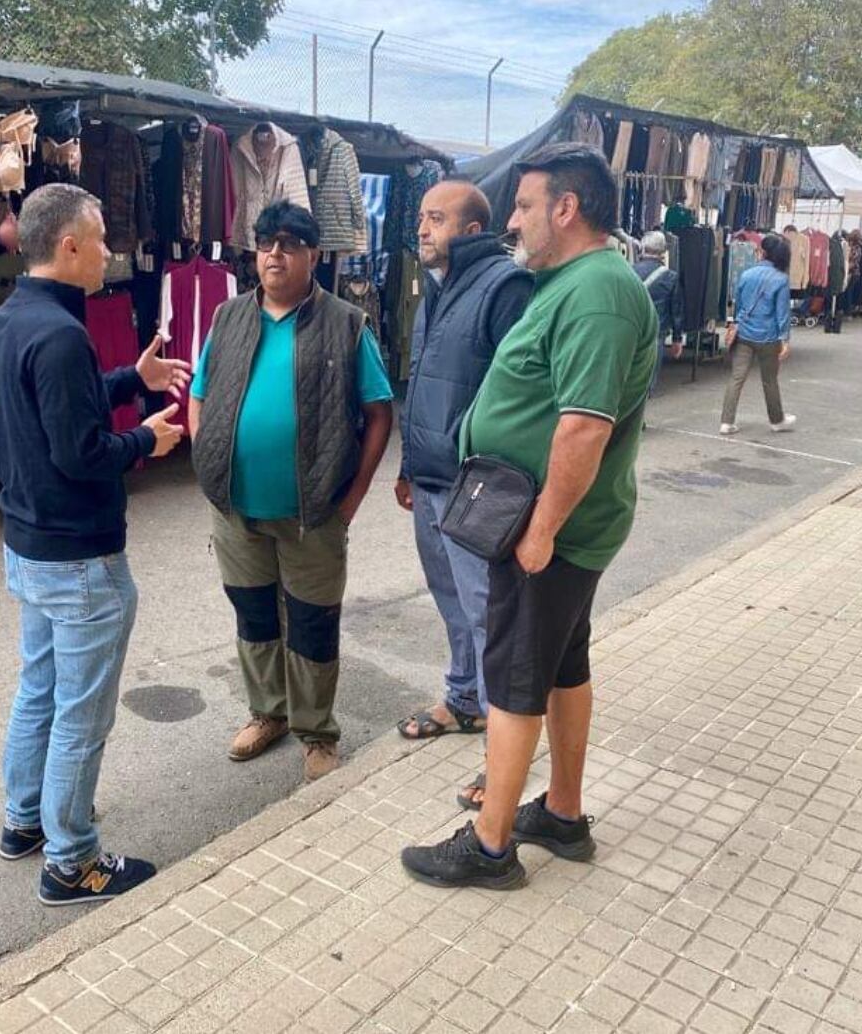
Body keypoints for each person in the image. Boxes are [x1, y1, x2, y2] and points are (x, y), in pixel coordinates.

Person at [400, 144, 657, 889]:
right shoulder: (570, 281)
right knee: (563, 667)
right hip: (546, 520)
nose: (511, 222)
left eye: (523, 206)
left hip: (545, 527)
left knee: (514, 677)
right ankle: (563, 814)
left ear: (566, 208)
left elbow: (584, 426)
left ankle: (489, 847)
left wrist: (541, 530)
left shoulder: (597, 292)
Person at [0, 183, 188, 906]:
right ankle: (71, 860)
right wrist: (147, 439)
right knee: (81, 713)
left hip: (29, 546)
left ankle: (24, 821)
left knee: (39, 688)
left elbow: (55, 407)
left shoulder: (9, 320)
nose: (109, 253)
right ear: (68, 245)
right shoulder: (62, 333)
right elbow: (80, 451)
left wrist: (131, 379)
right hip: (78, 558)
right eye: (101, 240)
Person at [189, 201, 393, 782]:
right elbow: (200, 393)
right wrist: (209, 459)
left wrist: (349, 501)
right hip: (235, 509)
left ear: (313, 254)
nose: (274, 253)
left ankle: (317, 731)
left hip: (315, 512)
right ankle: (268, 714)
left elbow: (379, 414)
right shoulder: (229, 316)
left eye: (289, 243)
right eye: (265, 242)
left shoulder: (345, 323)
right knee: (254, 616)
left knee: (311, 623)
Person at [394, 181, 532, 811]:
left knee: (486, 615)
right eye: (421, 217)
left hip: (473, 485)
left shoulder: (504, 287)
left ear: (473, 230)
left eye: (436, 218)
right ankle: (464, 699)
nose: (422, 228)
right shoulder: (436, 287)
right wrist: (408, 465)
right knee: (450, 599)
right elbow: (423, 381)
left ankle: (501, 757)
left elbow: (519, 395)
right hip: (429, 477)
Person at [720, 233, 795, 436]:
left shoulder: (747, 274)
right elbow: (782, 313)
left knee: (736, 378)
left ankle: (726, 422)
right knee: (769, 380)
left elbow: (738, 304)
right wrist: (785, 339)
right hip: (768, 336)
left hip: (744, 333)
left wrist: (735, 324)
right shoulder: (781, 279)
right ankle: (776, 420)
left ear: (762, 252)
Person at [633, 230, 684, 396]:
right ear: (663, 251)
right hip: (657, 331)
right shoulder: (671, 277)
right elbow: (676, 311)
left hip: (632, 328)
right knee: (649, 377)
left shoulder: (630, 271)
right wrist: (677, 339)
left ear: (643, 248)